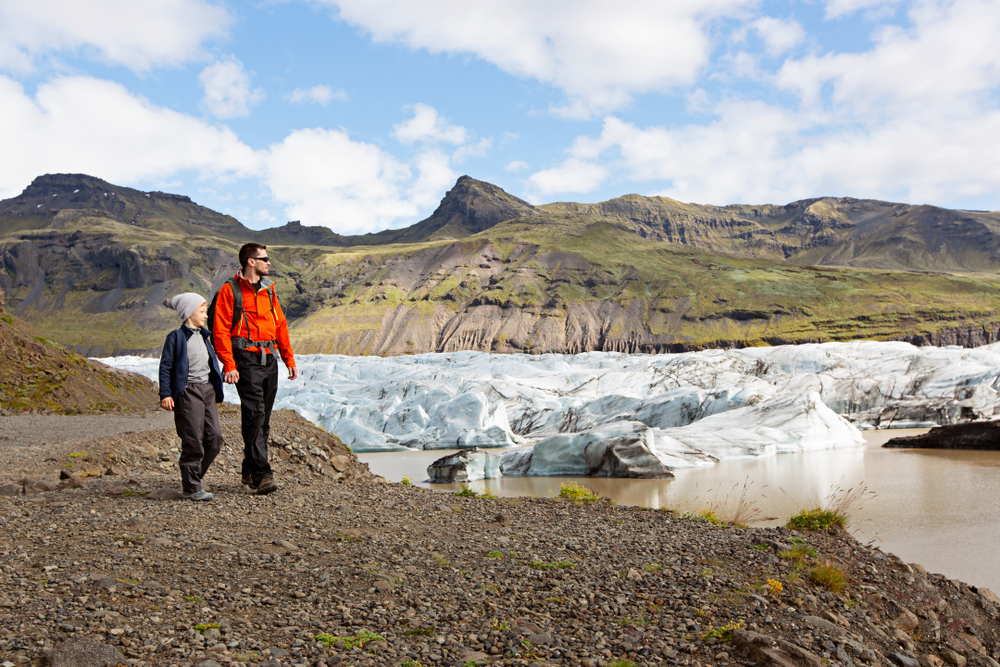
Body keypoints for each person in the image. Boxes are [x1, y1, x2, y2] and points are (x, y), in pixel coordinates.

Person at [213, 243, 297, 495]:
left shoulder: (269, 291)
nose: (268, 263)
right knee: (254, 414)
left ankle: (249, 469)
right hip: (245, 359)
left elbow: (280, 325)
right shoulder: (231, 291)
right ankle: (263, 474)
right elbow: (220, 329)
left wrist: (288, 359)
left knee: (264, 418)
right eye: (264, 259)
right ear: (251, 261)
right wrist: (228, 364)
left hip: (269, 358)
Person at [159, 293, 225, 501]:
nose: (206, 316)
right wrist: (166, 393)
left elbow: (210, 363)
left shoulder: (204, 336)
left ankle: (193, 479)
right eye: (202, 311)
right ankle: (191, 486)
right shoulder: (176, 337)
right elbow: (166, 367)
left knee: (214, 437)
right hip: (188, 392)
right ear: (189, 312)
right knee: (193, 439)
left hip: (207, 390)